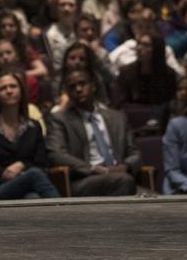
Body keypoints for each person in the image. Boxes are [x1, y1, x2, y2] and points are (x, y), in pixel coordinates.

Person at [45, 69, 141, 197]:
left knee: (157, 198)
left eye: (82, 83)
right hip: (85, 179)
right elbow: (56, 154)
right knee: (124, 181)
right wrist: (91, 169)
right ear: (67, 92)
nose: (78, 89)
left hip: (119, 174)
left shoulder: (118, 117)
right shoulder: (60, 120)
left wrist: (126, 166)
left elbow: (134, 153)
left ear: (93, 86)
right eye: (72, 87)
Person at [0, 71, 60, 200]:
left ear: (21, 91)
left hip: (31, 186)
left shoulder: (33, 126)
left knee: (33, 198)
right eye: (3, 88)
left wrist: (22, 165)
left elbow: (42, 163)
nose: (9, 91)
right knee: (34, 174)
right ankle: (63, 209)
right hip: (0, 187)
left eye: (13, 86)